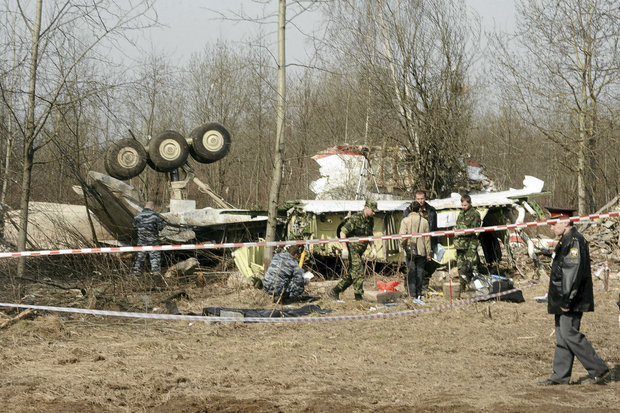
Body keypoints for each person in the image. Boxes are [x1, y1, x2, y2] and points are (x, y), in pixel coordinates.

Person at [538, 218, 610, 385]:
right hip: (562, 297)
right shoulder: (566, 240)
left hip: (570, 299)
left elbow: (572, 273)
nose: (551, 227)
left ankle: (599, 369)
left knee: (570, 334)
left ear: (565, 223)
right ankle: (560, 376)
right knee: (562, 336)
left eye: (554, 223)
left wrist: (566, 300)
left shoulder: (574, 241)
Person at [328, 199, 378, 301]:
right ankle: (358, 296)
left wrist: (373, 248)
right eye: (373, 210)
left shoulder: (371, 220)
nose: (374, 212)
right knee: (359, 271)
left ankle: (335, 291)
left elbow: (370, 235)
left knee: (353, 273)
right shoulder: (355, 218)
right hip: (352, 249)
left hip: (361, 250)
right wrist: (344, 248)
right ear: (366, 208)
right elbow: (342, 233)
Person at [399, 201, 431, 299]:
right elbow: (427, 239)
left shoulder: (405, 221)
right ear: (420, 209)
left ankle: (412, 295)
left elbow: (402, 237)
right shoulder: (425, 221)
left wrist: (402, 247)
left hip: (409, 251)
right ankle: (419, 293)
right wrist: (428, 253)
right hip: (421, 251)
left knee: (411, 272)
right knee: (420, 272)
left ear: (410, 209)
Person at [132, 201, 166, 277]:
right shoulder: (155, 216)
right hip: (153, 241)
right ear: (153, 207)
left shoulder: (137, 216)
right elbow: (160, 228)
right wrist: (164, 223)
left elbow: (134, 228)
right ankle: (156, 275)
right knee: (155, 258)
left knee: (140, 258)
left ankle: (137, 275)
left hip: (141, 241)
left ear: (145, 206)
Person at [454, 194, 481, 289]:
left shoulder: (475, 214)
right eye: (462, 205)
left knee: (472, 265)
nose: (463, 207)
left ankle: (475, 286)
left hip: (470, 243)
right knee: (460, 265)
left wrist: (460, 231)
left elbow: (474, 229)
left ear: (470, 203)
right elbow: (458, 225)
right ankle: (462, 285)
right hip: (460, 244)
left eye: (465, 205)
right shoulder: (461, 213)